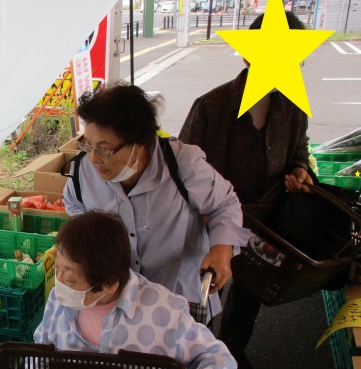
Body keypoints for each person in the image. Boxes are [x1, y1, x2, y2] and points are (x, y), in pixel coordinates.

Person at [178, 11, 312, 369]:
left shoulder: (294, 106)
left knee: (249, 293)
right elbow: (182, 165)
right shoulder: (211, 106)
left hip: (266, 219)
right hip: (211, 221)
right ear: (247, 54)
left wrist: (300, 170)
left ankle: (233, 353)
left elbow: (299, 149)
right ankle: (195, 359)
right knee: (204, 292)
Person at [63, 83, 249, 320]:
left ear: (139, 144)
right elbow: (73, 204)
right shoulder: (82, 171)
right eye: (87, 144)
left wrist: (222, 248)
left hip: (179, 295)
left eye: (104, 149)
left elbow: (224, 204)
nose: (93, 158)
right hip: (118, 298)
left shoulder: (182, 163)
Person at [34, 211, 241, 369]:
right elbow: (40, 348)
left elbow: (223, 361)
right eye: (58, 267)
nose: (58, 281)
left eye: (70, 278)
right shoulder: (59, 302)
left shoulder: (165, 313)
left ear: (110, 284)